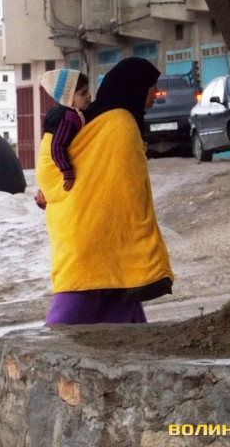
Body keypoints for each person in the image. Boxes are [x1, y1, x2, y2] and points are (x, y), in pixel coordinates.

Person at [35, 57, 174, 325]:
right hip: (92, 230)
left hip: (88, 225)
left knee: (117, 295)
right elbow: (126, 184)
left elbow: (78, 163)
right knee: (71, 308)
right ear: (135, 87)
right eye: (151, 87)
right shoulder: (120, 123)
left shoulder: (95, 117)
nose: (156, 93)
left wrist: (50, 191)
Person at [40, 69, 91, 191]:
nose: (89, 95)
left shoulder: (76, 113)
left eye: (88, 91)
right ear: (68, 98)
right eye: (83, 93)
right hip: (57, 170)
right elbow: (57, 146)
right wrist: (67, 172)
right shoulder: (68, 119)